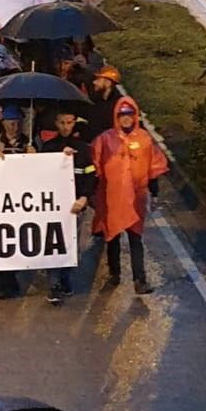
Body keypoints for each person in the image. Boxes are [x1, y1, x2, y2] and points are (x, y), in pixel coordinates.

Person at [91, 96, 168, 293]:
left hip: (136, 197)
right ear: (116, 116)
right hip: (113, 198)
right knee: (113, 238)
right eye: (122, 115)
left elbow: (152, 168)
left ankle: (139, 279)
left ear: (135, 116)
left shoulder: (144, 139)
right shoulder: (106, 139)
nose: (126, 119)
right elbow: (95, 165)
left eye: (129, 115)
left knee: (135, 238)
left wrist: (155, 194)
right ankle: (114, 274)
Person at [36, 107, 96, 304]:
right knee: (55, 245)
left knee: (72, 246)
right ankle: (54, 284)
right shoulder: (48, 147)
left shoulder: (84, 148)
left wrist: (84, 198)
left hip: (76, 206)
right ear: (56, 123)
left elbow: (90, 176)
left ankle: (66, 280)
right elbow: (40, 176)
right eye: (62, 122)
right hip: (54, 206)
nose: (65, 126)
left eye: (69, 122)